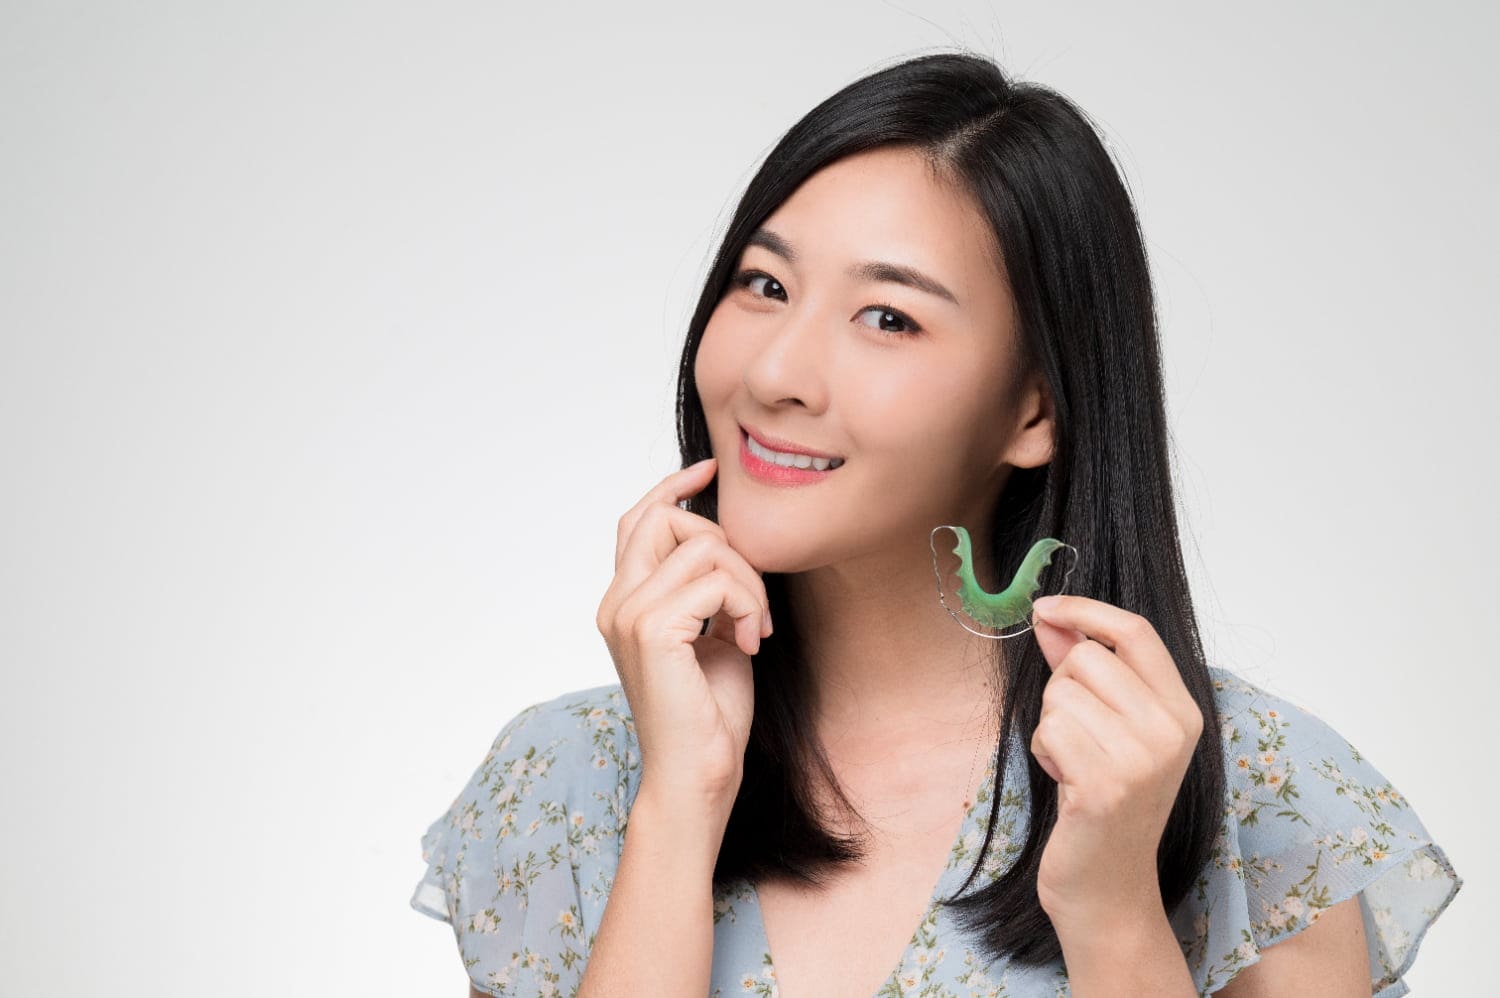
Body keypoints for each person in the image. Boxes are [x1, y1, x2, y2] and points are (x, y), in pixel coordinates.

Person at [409, 50, 1462, 997]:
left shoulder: (1258, 789)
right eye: (764, 283)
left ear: (1034, 409)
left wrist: (1113, 910)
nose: (774, 372)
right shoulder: (563, 782)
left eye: (888, 317)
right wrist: (680, 804)